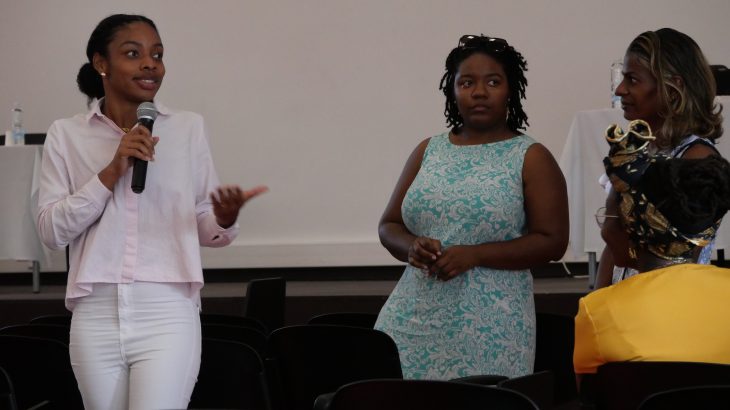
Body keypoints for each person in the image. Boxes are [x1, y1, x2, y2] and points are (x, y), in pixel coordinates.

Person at [35, 14, 267, 410]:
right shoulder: (66, 134)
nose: (150, 64)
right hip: (94, 311)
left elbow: (204, 223)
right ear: (101, 63)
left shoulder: (187, 128)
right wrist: (111, 171)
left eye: (157, 55)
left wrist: (224, 218)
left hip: (167, 309)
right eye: (133, 53)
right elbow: (51, 231)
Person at [374, 35, 569, 379]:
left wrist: (475, 255)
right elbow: (389, 225)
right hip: (409, 321)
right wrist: (412, 247)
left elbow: (552, 241)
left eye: (493, 82)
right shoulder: (427, 150)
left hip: (491, 326)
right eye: (466, 83)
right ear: (452, 90)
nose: (479, 92)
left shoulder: (531, 156)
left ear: (511, 90)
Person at [574, 121, 730, 382]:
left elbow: (590, 393)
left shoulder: (597, 311)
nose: (604, 233)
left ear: (633, 229)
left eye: (608, 218)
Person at [595, 27, 724, 288]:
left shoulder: (696, 158)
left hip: (670, 299)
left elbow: (681, 257)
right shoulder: (642, 150)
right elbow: (613, 246)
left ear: (673, 88)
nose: (620, 89)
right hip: (631, 295)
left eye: (632, 80)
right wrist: (597, 299)